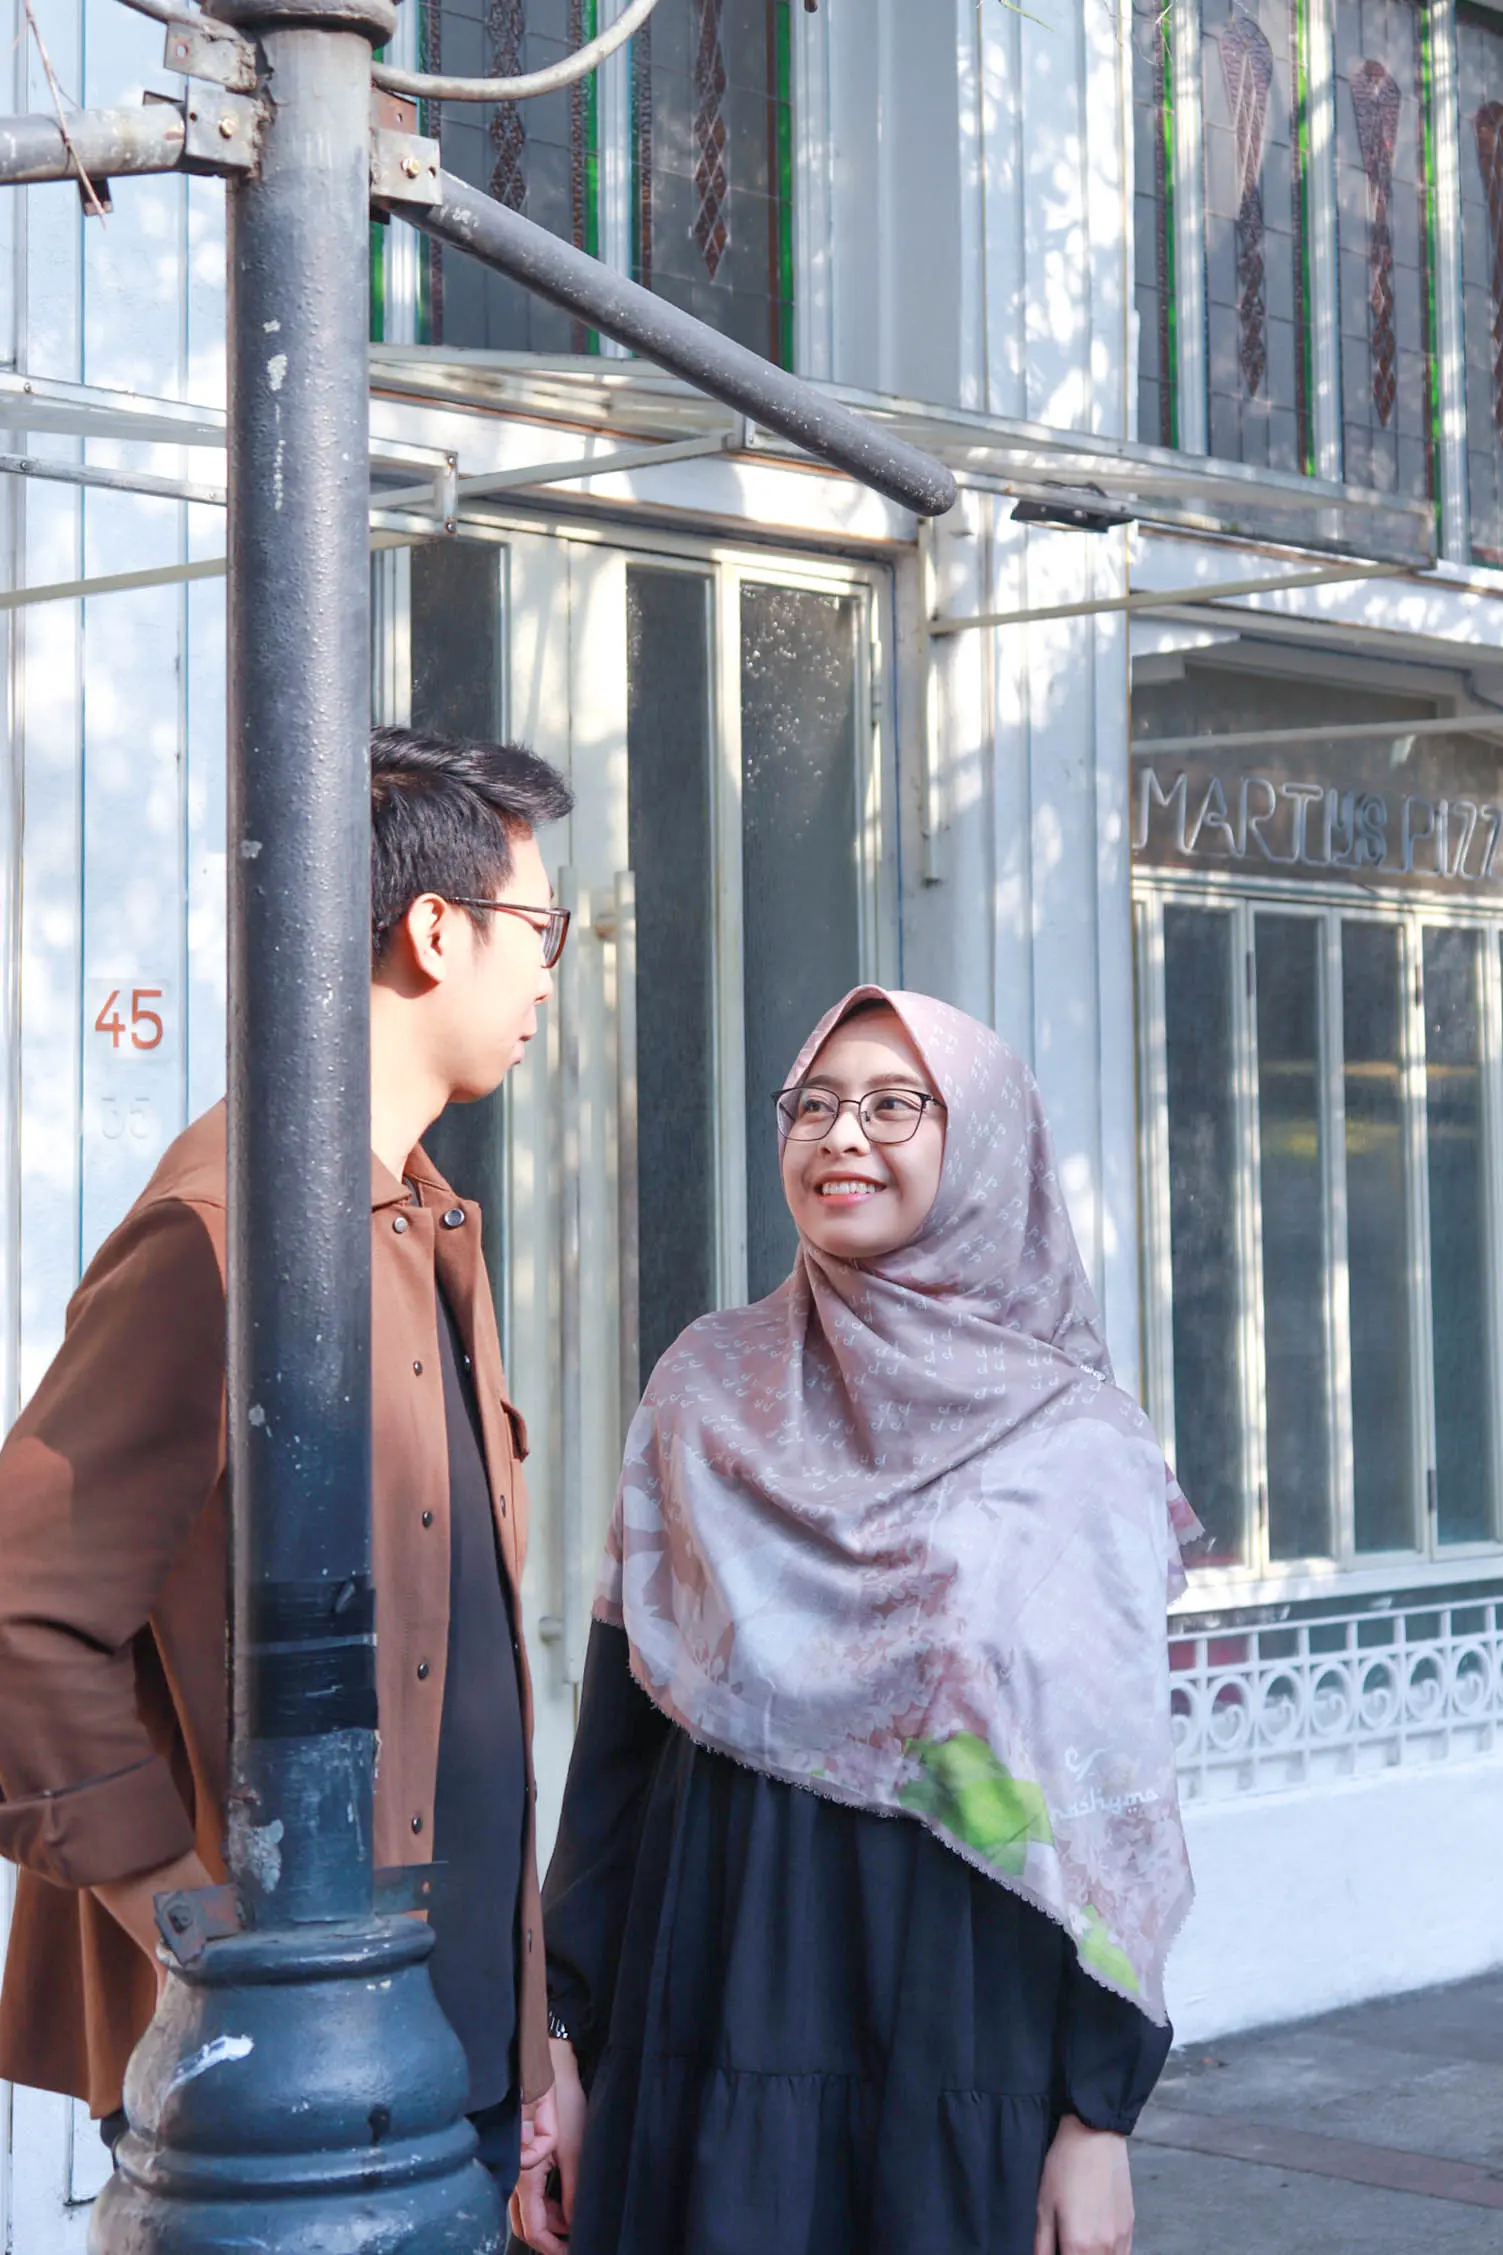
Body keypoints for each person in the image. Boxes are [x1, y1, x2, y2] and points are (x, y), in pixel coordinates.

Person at [515, 987, 1199, 2255]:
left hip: (960, 2031)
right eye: (814, 1104)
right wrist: (555, 2030)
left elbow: (1113, 1802)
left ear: (982, 1142)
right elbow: (618, 1744)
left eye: (894, 1104)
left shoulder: (1078, 1445)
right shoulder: (705, 1385)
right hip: (707, 1997)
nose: (841, 1135)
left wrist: (1097, 2113)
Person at [0, 725, 573, 2202]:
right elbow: (19, 1612)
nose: (547, 975)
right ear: (436, 930)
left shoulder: (423, 1217)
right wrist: (191, 1927)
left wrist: (529, 2042)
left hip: (441, 2055)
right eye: (541, 927)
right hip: (281, 2097)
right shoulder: (221, 1229)